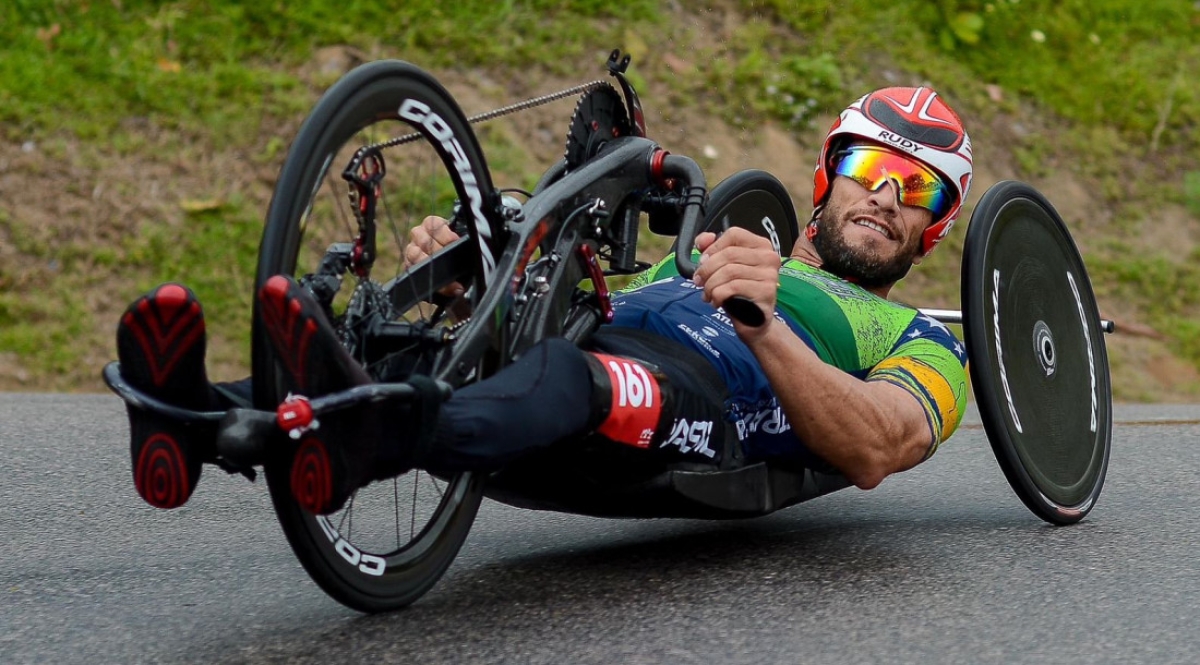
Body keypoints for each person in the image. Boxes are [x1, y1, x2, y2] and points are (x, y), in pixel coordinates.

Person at [115, 86, 972, 516]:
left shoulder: (923, 339)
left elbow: (877, 446)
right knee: (421, 352)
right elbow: (574, 294)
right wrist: (473, 272)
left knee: (575, 375)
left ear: (934, 230)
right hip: (592, 341)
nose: (887, 197)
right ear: (827, 177)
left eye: (918, 190)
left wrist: (765, 322)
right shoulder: (709, 250)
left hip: (705, 409)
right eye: (868, 169)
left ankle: (366, 435)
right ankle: (191, 415)